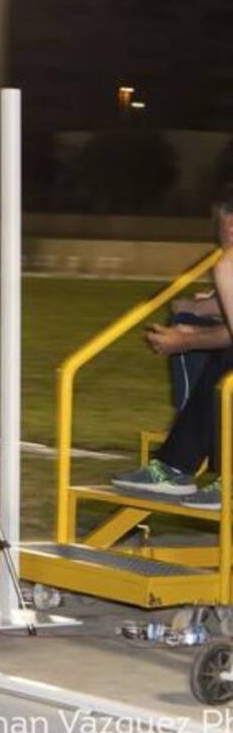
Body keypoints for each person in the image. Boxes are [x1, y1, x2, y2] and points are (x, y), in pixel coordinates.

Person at [113, 188, 233, 509]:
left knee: (224, 365)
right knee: (207, 344)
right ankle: (177, 461)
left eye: (219, 226)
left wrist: (186, 340)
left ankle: (178, 464)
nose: (218, 237)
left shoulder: (228, 264)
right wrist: (198, 319)